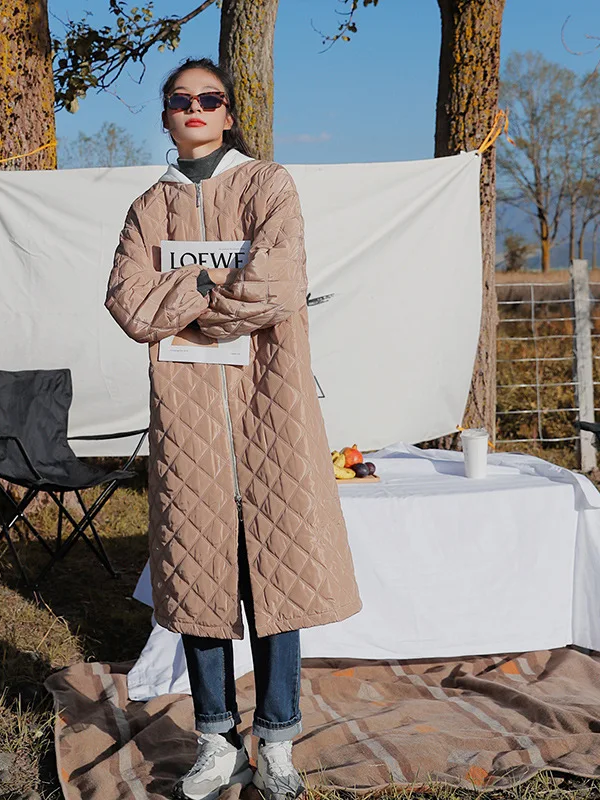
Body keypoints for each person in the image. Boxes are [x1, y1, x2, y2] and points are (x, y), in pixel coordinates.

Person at [105, 57, 363, 800]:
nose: (195, 108)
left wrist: (184, 301)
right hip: (186, 418)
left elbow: (278, 285)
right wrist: (211, 282)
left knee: (279, 576)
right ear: (166, 115)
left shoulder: (268, 185)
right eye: (180, 99)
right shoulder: (146, 209)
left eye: (209, 98)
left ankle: (277, 741)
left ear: (226, 113)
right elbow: (127, 304)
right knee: (199, 578)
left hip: (269, 408)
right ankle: (216, 741)